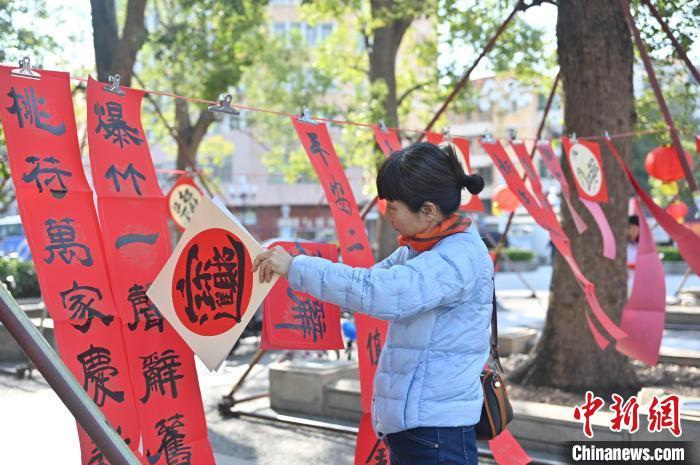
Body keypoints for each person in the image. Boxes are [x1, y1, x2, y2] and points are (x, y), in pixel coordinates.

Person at [254, 142, 493, 465]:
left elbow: (381, 292)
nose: (388, 215)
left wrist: (297, 266)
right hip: (419, 424)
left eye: (393, 206)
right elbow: (365, 284)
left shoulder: (455, 256)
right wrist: (296, 270)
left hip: (437, 432)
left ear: (428, 210)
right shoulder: (422, 247)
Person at [627, 214, 640, 292]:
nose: (632, 233)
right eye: (630, 229)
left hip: (637, 283)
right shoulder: (624, 245)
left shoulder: (639, 246)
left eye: (635, 230)